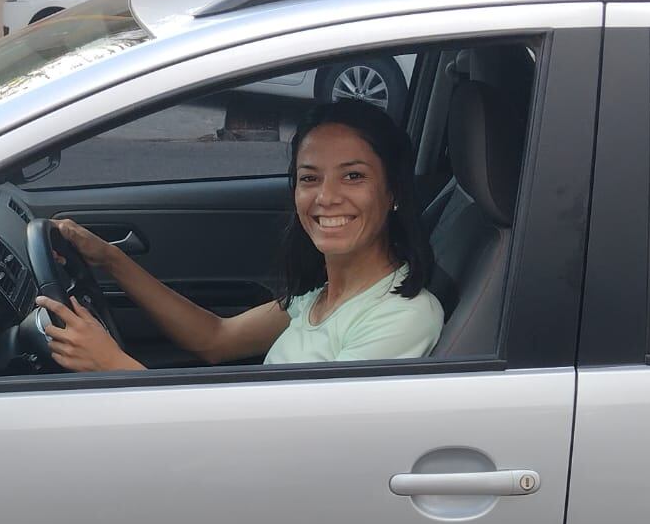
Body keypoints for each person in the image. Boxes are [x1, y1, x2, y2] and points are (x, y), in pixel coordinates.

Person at [34, 99, 444, 372]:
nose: (326, 197)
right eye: (309, 178)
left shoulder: (402, 316)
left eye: (353, 176)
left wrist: (113, 365)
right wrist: (111, 260)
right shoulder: (319, 297)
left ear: (392, 192)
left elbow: (294, 452)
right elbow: (216, 338)